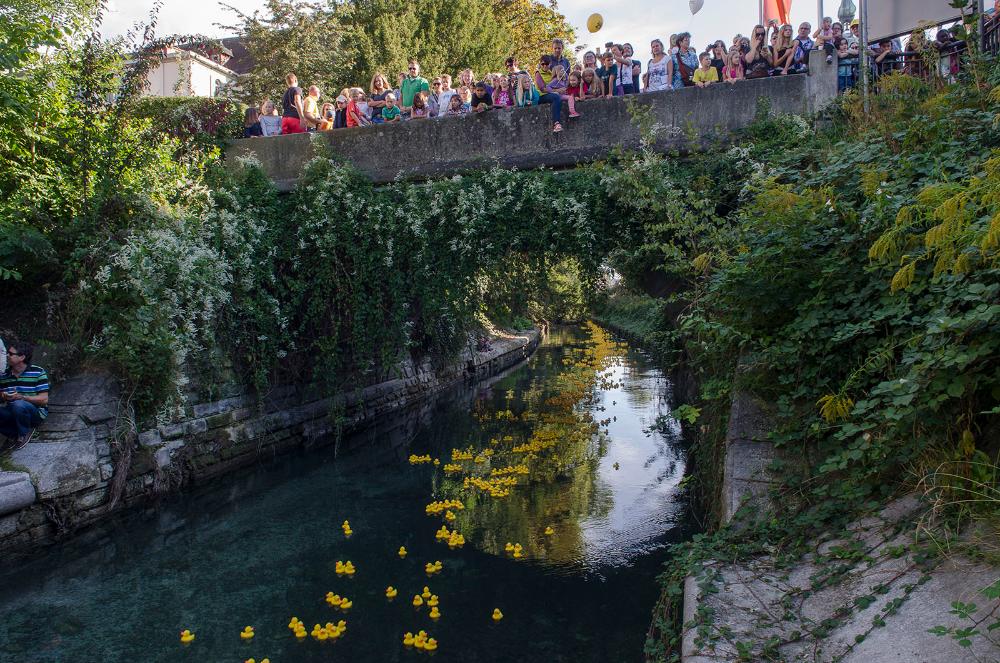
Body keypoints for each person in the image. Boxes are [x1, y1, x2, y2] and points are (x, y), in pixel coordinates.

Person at [0, 340, 49, 451]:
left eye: (11, 354)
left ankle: (24, 433)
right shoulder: (4, 374)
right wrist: (3, 396)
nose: (7, 355)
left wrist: (22, 397)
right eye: (7, 352)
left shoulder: (38, 372)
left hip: (34, 413)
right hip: (12, 412)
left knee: (18, 404)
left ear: (22, 357)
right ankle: (13, 434)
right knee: (14, 406)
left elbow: (44, 400)